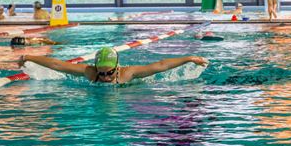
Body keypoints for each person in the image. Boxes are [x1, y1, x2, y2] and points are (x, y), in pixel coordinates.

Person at [18, 47, 208, 84]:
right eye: (102, 74)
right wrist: (28, 56)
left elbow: (161, 65)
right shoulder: (90, 73)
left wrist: (189, 58)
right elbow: (57, 64)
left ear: (117, 68)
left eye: (109, 73)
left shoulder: (128, 74)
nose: (106, 78)